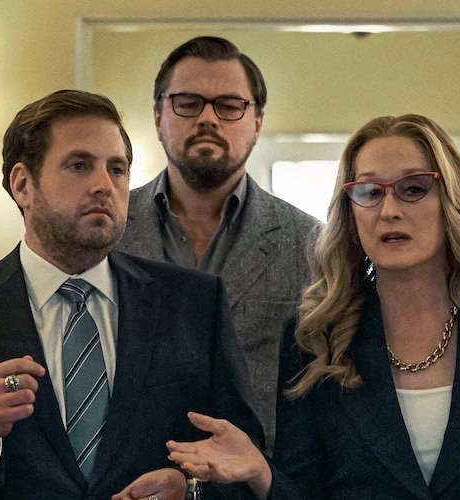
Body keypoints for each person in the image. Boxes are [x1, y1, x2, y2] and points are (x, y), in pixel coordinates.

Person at [164, 114, 460, 499]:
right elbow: (305, 489)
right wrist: (262, 474)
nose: (389, 210)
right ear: (351, 212)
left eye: (413, 189)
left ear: (450, 201)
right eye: (369, 192)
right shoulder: (314, 341)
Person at [0, 89, 262, 500]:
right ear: (23, 185)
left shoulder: (194, 303)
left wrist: (190, 491)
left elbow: (247, 471)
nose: (104, 185)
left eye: (117, 169)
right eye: (79, 166)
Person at [117, 36, 321, 452]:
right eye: (187, 103)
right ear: (158, 117)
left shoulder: (310, 243)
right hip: (131, 471)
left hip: (259, 471)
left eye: (229, 106)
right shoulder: (109, 232)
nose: (208, 119)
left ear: (257, 122)